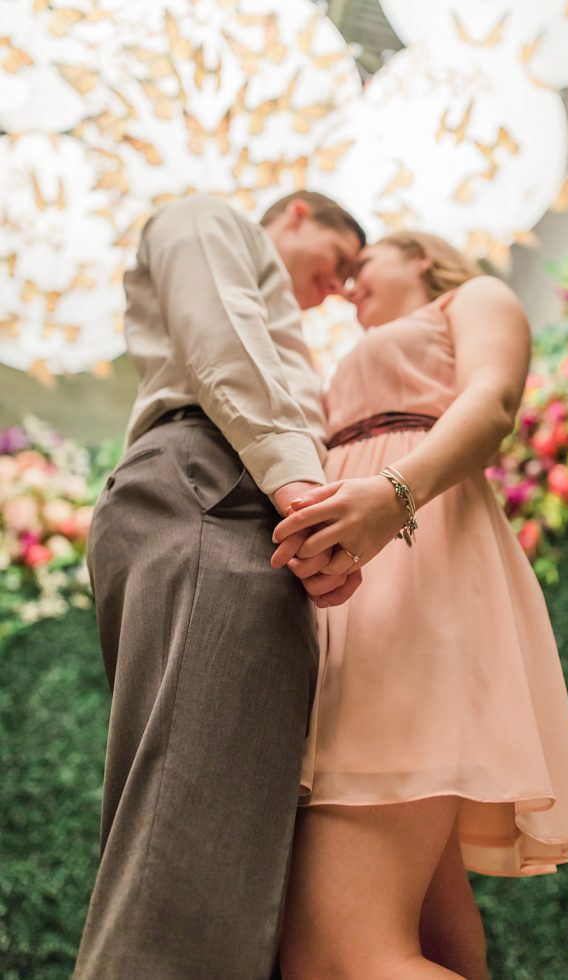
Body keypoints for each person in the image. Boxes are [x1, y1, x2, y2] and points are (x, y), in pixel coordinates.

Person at [271, 233, 568, 979]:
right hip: (356, 591)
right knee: (435, 946)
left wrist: (392, 496)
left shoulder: (469, 299)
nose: (350, 287)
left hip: (412, 563)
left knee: (337, 956)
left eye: (362, 267)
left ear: (418, 255)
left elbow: (491, 402)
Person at [74, 190, 366, 980]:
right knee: (191, 846)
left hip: (223, 490)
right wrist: (301, 491)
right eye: (337, 263)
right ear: (298, 211)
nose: (335, 289)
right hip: (222, 482)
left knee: (202, 824)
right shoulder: (207, 216)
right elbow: (220, 332)